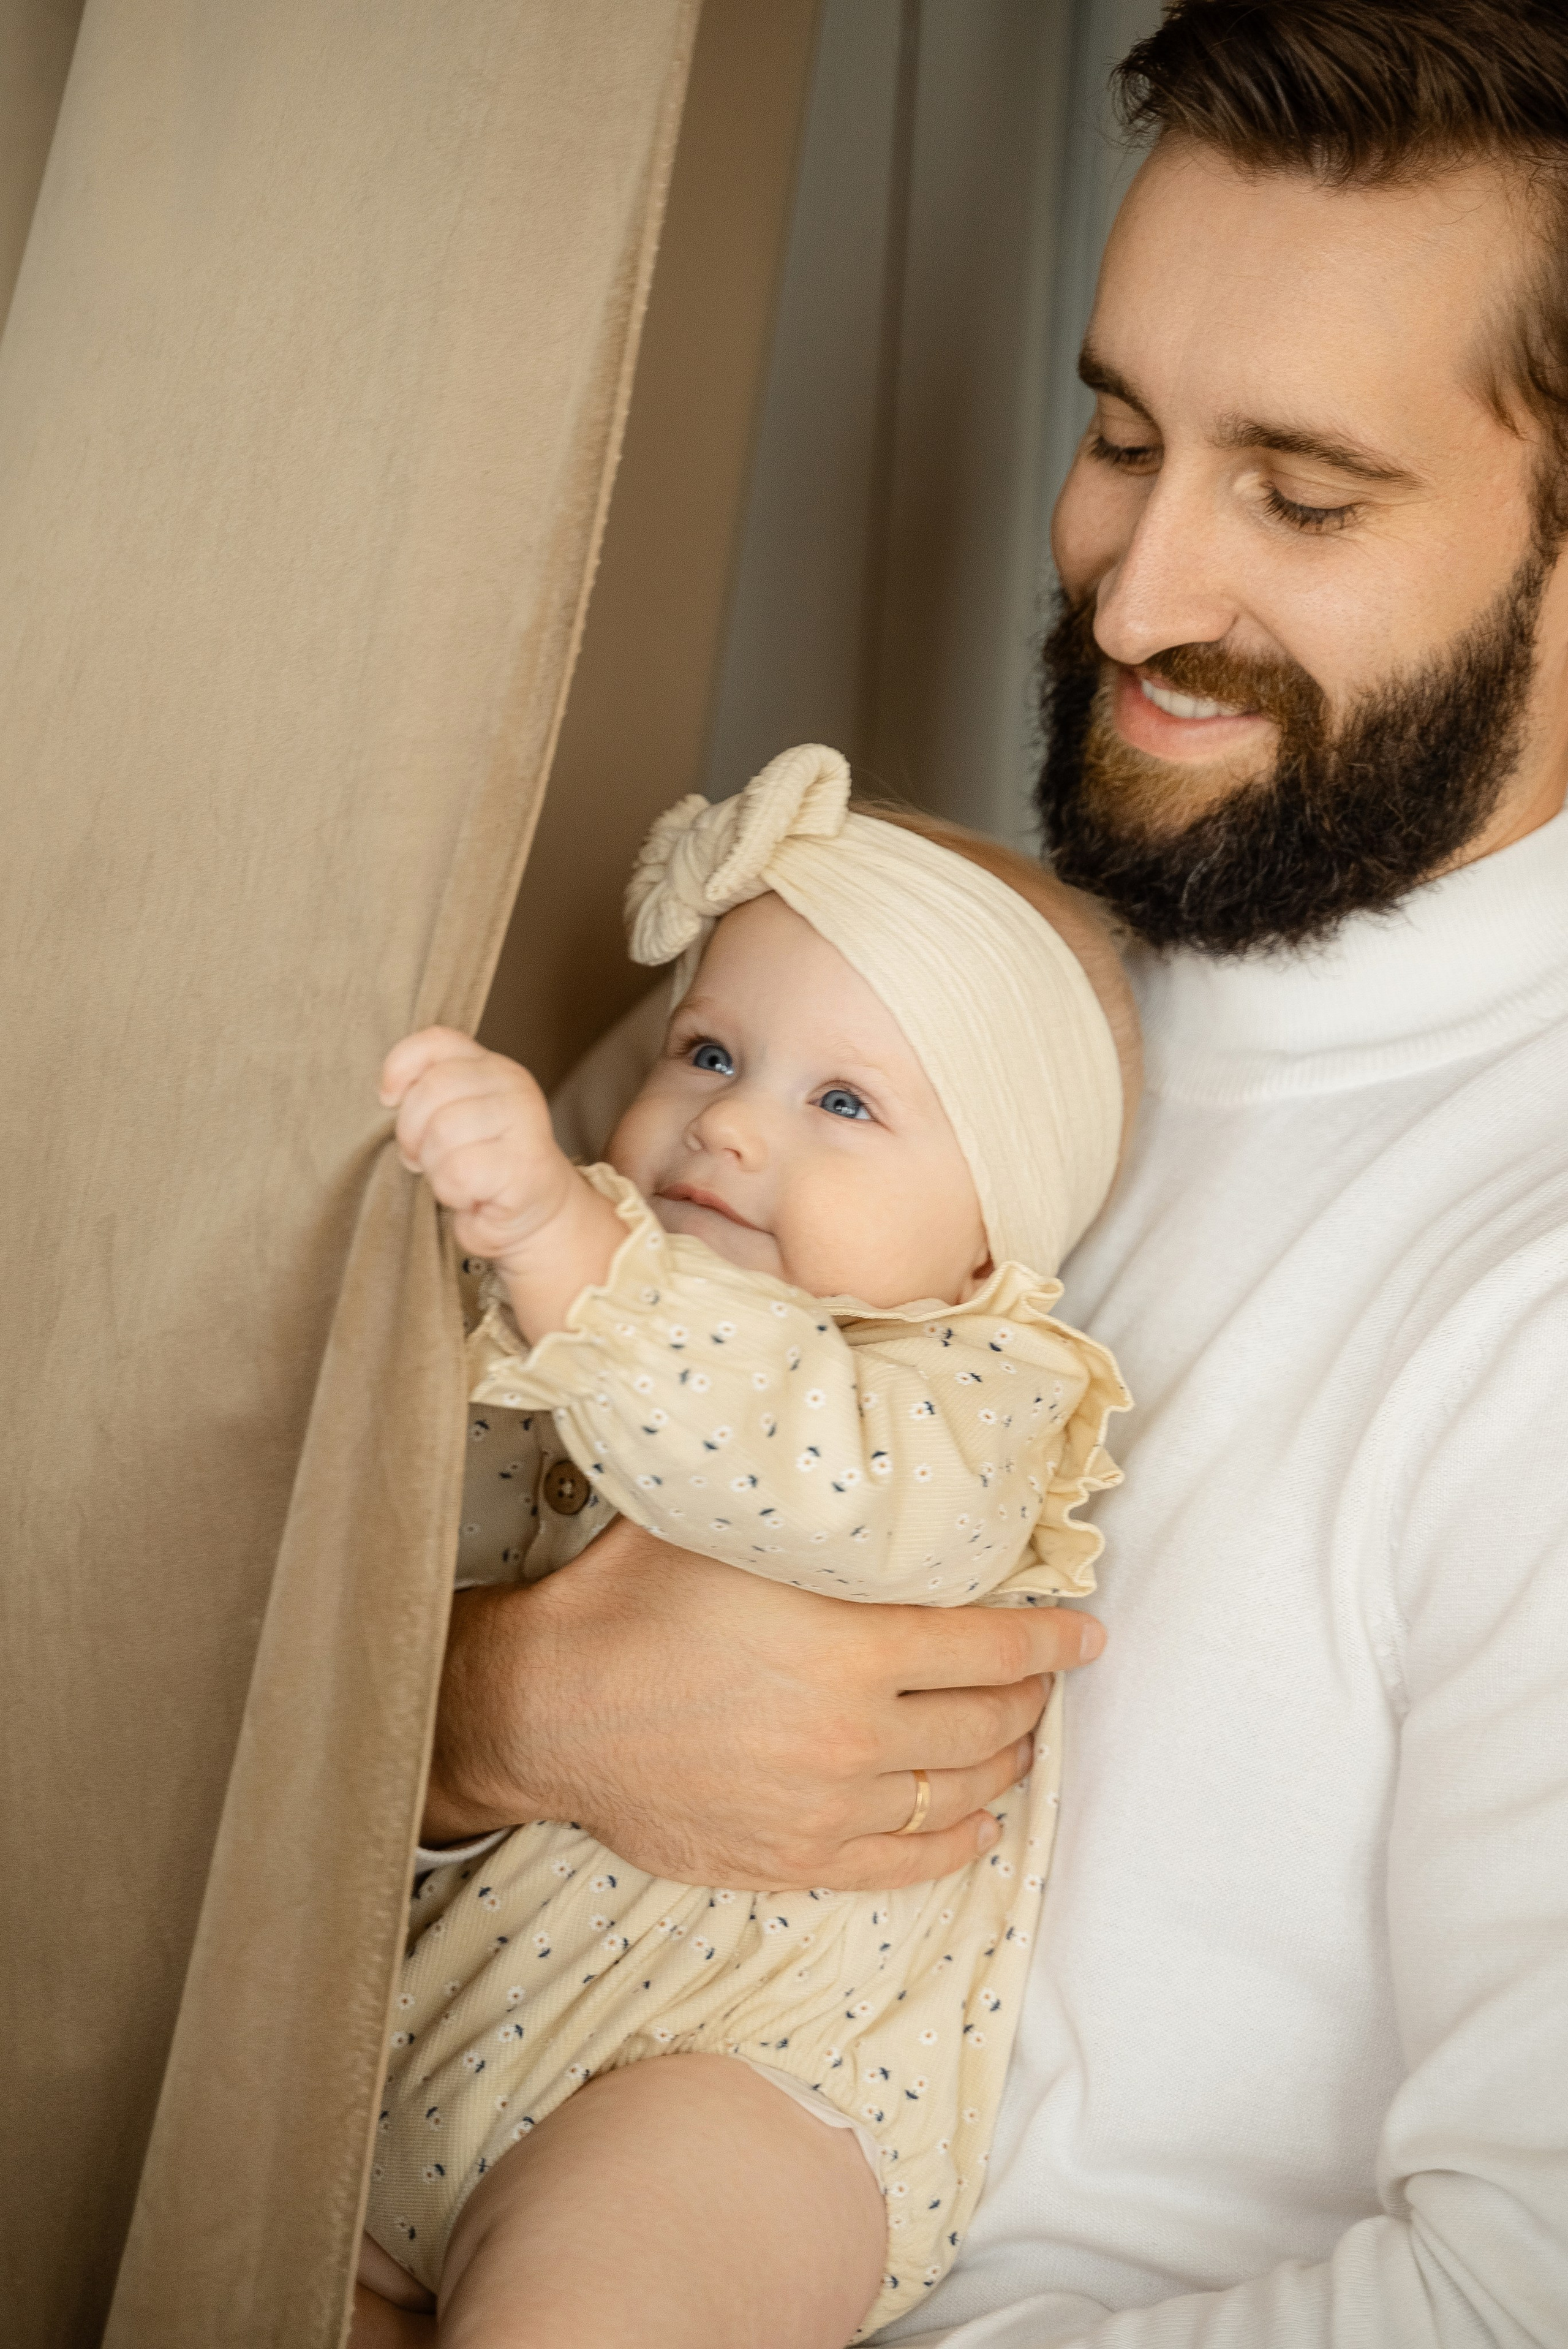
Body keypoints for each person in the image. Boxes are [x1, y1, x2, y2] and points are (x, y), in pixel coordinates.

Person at [377, 3, 1568, 2341]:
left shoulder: (1526, 1286)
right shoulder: (908, 970)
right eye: (1120, 435)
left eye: (1302, 496)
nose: (1130, 598)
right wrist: (494, 1712)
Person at [355, 746, 1137, 2345]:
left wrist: (567, 1246)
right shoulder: (559, 1324)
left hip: (736, 2079)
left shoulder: (977, 1386)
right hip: (435, 2016)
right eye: (708, 1050)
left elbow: (801, 1477)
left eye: (843, 1101)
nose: (725, 1128)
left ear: (999, 1224)